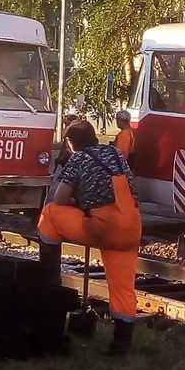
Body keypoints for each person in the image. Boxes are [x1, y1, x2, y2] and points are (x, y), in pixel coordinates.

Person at [39, 117, 142, 356]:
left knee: (49, 214)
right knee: (124, 289)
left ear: (70, 143)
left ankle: (49, 278)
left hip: (104, 227)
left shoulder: (78, 158)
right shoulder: (115, 153)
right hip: (132, 227)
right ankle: (121, 347)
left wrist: (76, 199)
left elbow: (60, 200)